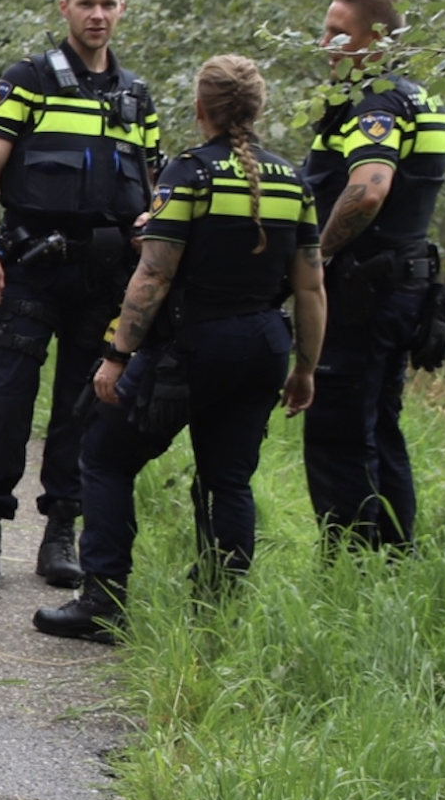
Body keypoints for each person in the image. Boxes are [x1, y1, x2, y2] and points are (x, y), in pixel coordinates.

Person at [35, 56, 327, 639]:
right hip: (265, 344)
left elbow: (153, 278)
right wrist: (306, 369)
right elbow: (311, 286)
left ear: (201, 110)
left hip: (195, 346)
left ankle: (103, 602)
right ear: (258, 108)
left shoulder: (190, 174)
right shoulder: (293, 181)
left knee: (105, 456)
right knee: (229, 479)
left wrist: (117, 355)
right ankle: (218, 613)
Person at [0, 0, 160, 591]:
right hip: (27, 268)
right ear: (64, 7)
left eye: (109, 4)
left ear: (122, 10)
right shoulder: (27, 82)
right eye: (86, 4)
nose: (97, 15)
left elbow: (154, 194)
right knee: (8, 403)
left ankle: (60, 535)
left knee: (83, 408)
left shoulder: (137, 99)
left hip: (104, 279)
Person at [302, 0, 445, 552]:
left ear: (378, 40)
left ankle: (351, 566)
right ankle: (394, 556)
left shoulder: (377, 106)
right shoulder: (423, 99)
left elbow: (367, 192)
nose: (326, 44)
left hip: (366, 290)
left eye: (339, 33)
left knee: (340, 431)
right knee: (381, 426)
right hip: (404, 283)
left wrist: (319, 254)